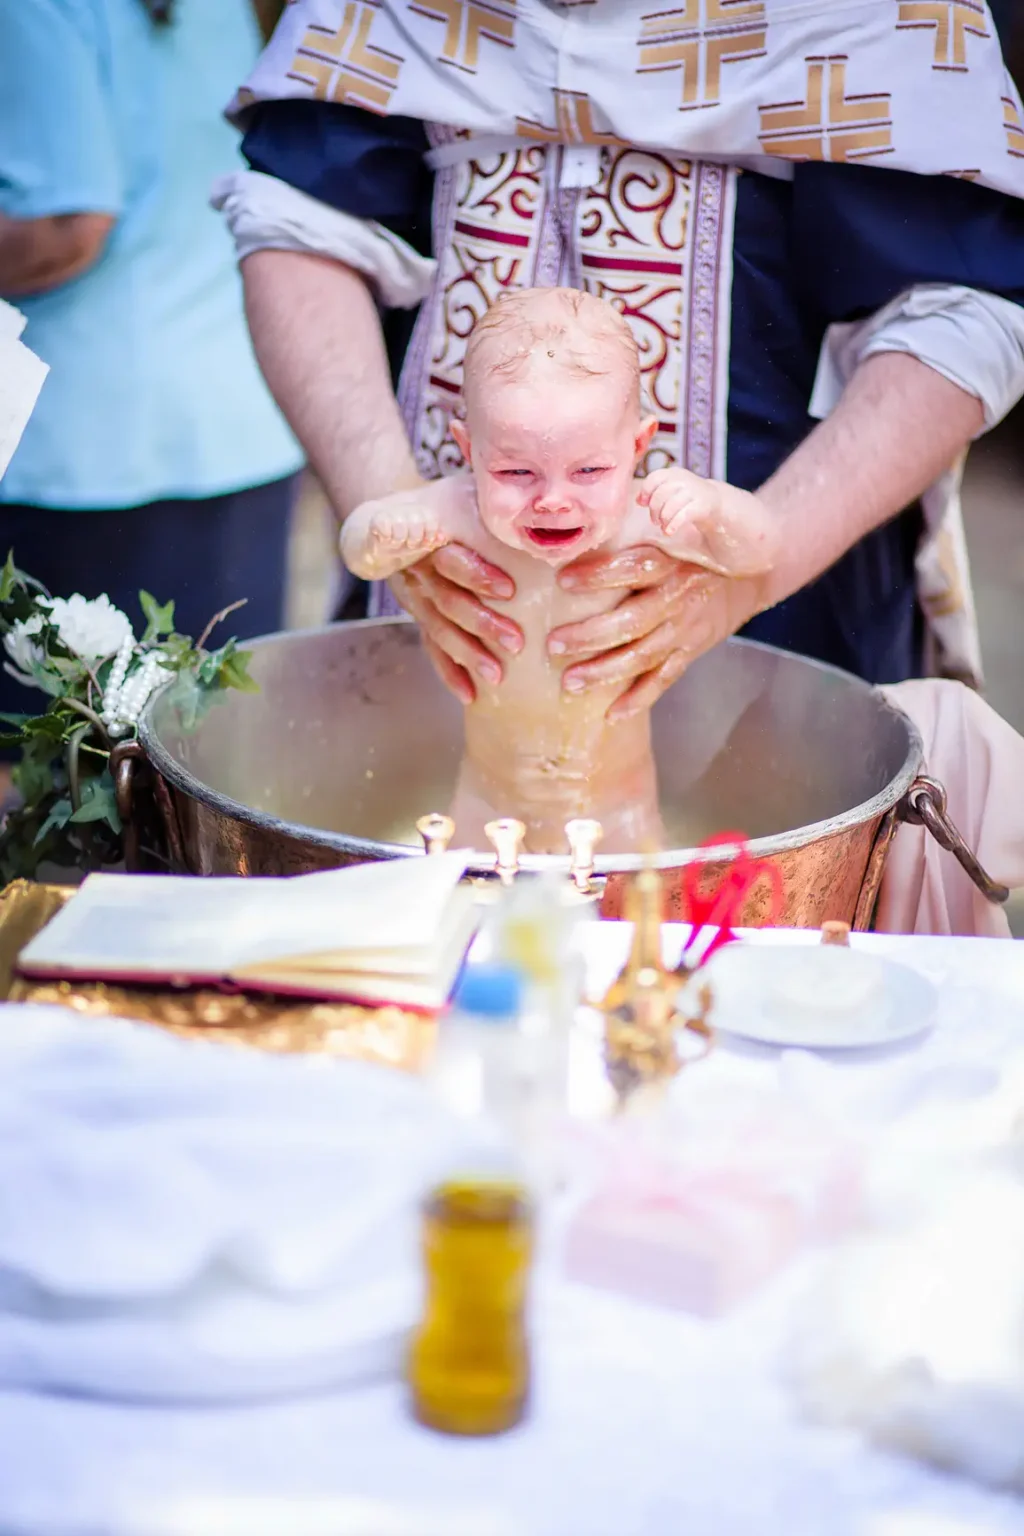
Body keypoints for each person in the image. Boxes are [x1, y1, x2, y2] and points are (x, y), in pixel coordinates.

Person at [215, 0, 1024, 722]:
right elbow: (300, 218)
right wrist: (390, 509)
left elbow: (960, 304)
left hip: (783, 612)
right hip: (438, 615)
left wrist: (758, 561)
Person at [343, 287, 772, 850]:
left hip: (621, 813)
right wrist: (381, 534)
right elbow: (358, 550)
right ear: (469, 451)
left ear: (639, 447)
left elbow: (761, 551)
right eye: (517, 473)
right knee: (459, 923)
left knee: (645, 933)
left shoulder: (649, 520)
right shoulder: (454, 512)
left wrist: (715, 509)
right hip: (483, 806)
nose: (553, 500)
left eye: (590, 470)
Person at [0, 0, 304, 740]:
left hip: (86, 449)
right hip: (239, 426)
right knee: (214, 769)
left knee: (76, 797)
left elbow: (67, 225)